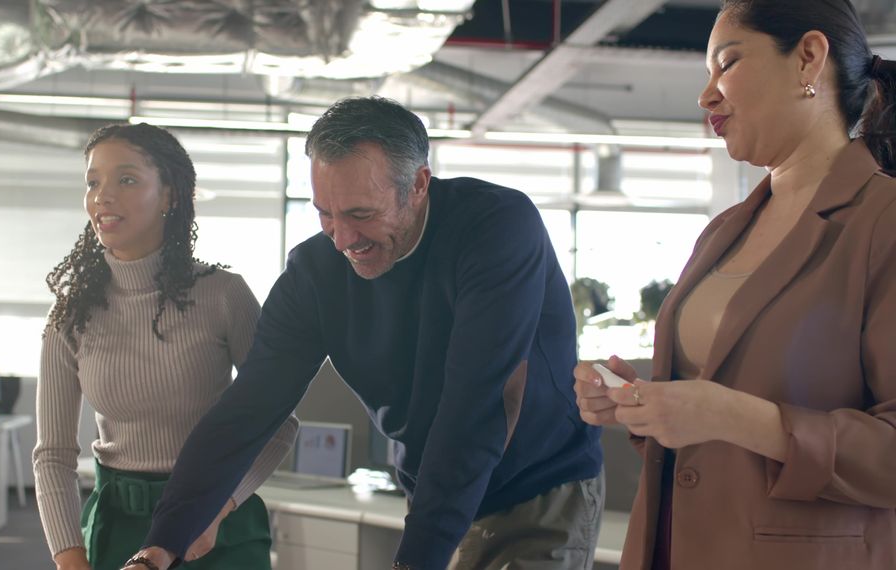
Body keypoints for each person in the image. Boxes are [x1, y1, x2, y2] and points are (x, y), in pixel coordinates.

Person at [122, 96, 604, 570]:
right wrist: (161, 545)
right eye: (324, 213)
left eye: (361, 214)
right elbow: (248, 407)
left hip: (538, 487)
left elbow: (477, 405)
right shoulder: (314, 274)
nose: (343, 239)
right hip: (434, 492)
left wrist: (415, 561)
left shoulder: (496, 228)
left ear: (417, 184)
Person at [574, 1, 896, 569]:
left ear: (808, 58)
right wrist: (638, 404)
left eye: (726, 64)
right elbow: (712, 415)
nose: (707, 95)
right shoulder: (723, 231)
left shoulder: (882, 222)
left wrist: (734, 416)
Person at [33, 122, 297, 570]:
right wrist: (70, 559)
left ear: (171, 195)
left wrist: (219, 508)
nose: (103, 196)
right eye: (93, 182)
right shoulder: (70, 314)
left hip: (218, 528)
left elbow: (278, 423)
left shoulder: (224, 295)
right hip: (118, 526)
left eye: (127, 179)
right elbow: (53, 456)